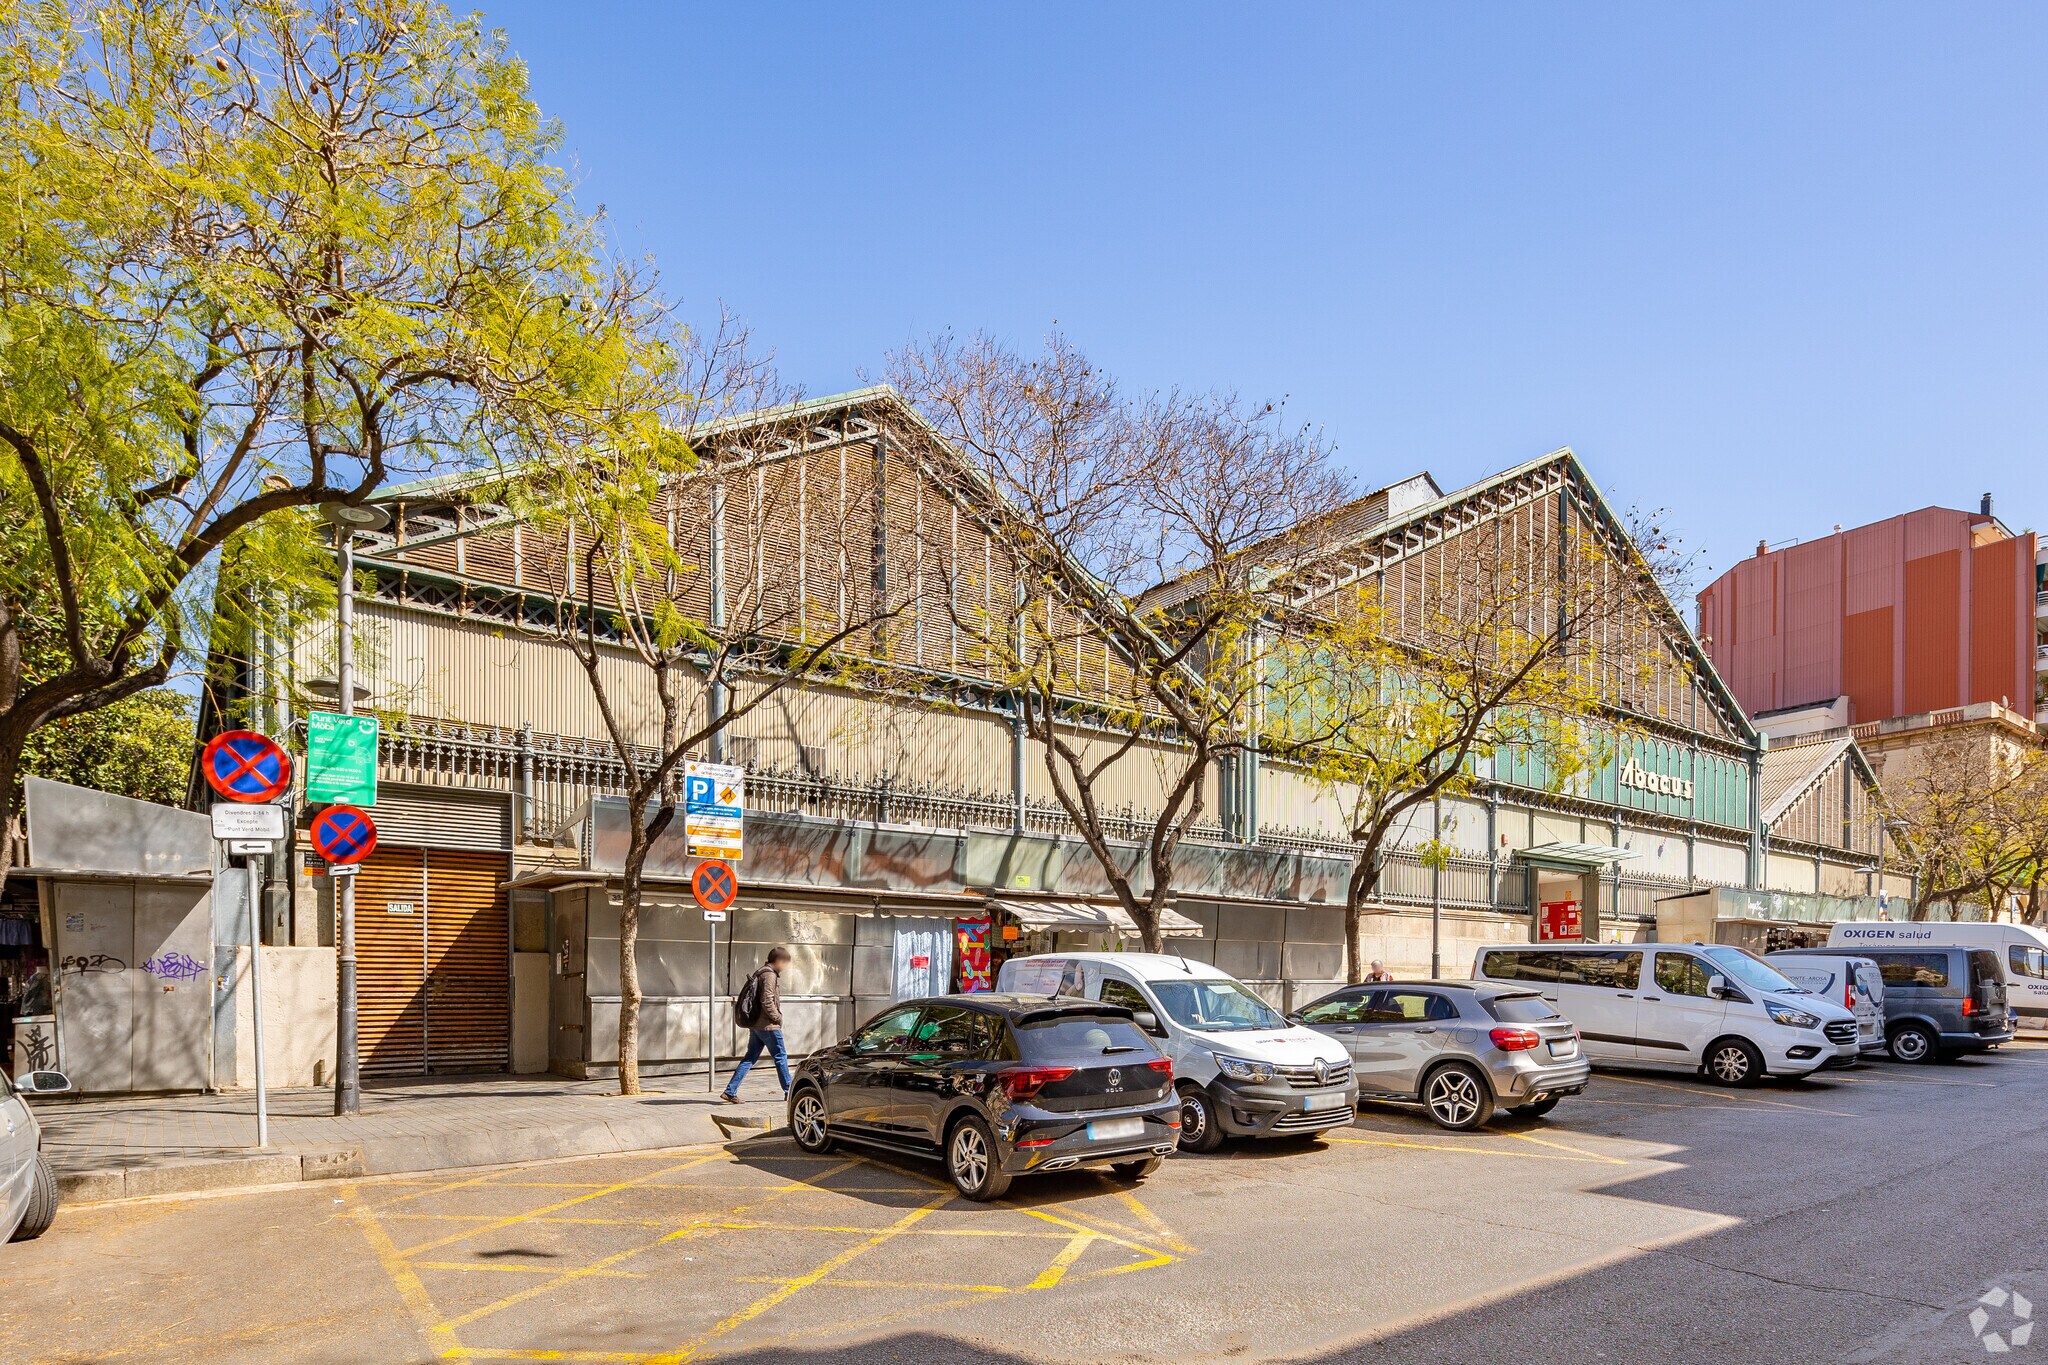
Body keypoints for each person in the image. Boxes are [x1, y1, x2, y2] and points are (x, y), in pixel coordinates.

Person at [723, 946, 792, 1103]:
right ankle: (789, 1090)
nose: (784, 967)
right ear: (779, 961)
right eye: (784, 963)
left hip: (756, 1026)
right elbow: (767, 1000)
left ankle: (730, 1091)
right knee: (780, 1056)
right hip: (768, 1026)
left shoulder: (760, 972)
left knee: (749, 1058)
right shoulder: (769, 975)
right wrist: (778, 1017)